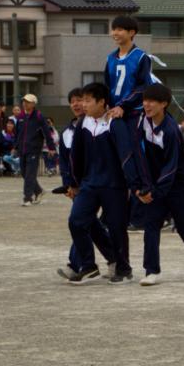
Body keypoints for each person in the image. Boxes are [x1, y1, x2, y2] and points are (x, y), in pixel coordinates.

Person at [135, 84, 184, 286]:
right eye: (145, 100)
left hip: (180, 185)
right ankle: (151, 271)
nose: (146, 104)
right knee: (151, 225)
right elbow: (140, 156)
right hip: (157, 185)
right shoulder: (143, 122)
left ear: (164, 104)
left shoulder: (170, 130)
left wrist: (157, 190)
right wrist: (144, 186)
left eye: (152, 101)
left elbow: (171, 166)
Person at [63, 82, 133, 284]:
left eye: (87, 100)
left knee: (117, 228)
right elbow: (76, 156)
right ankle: (89, 265)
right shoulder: (83, 123)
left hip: (114, 185)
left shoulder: (115, 123)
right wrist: (74, 182)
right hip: (89, 184)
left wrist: (133, 183)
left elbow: (127, 155)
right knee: (76, 221)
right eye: (81, 100)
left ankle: (123, 268)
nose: (83, 104)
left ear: (102, 102)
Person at [104, 15, 153, 193]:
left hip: (133, 113)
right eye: (113, 29)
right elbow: (108, 86)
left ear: (132, 32)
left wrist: (123, 106)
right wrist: (108, 107)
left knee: (136, 151)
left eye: (119, 29)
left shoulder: (141, 57)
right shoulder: (110, 58)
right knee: (115, 154)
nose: (115, 33)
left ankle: (144, 190)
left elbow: (143, 86)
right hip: (115, 113)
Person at [15, 93, 50, 206]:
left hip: (34, 149)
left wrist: (51, 147)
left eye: (28, 102)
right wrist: (15, 147)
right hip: (22, 149)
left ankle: (28, 198)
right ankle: (39, 190)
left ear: (34, 104)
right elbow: (18, 133)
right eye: (24, 101)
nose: (25, 103)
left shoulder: (39, 116)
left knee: (30, 174)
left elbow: (47, 133)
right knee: (25, 173)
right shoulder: (20, 116)